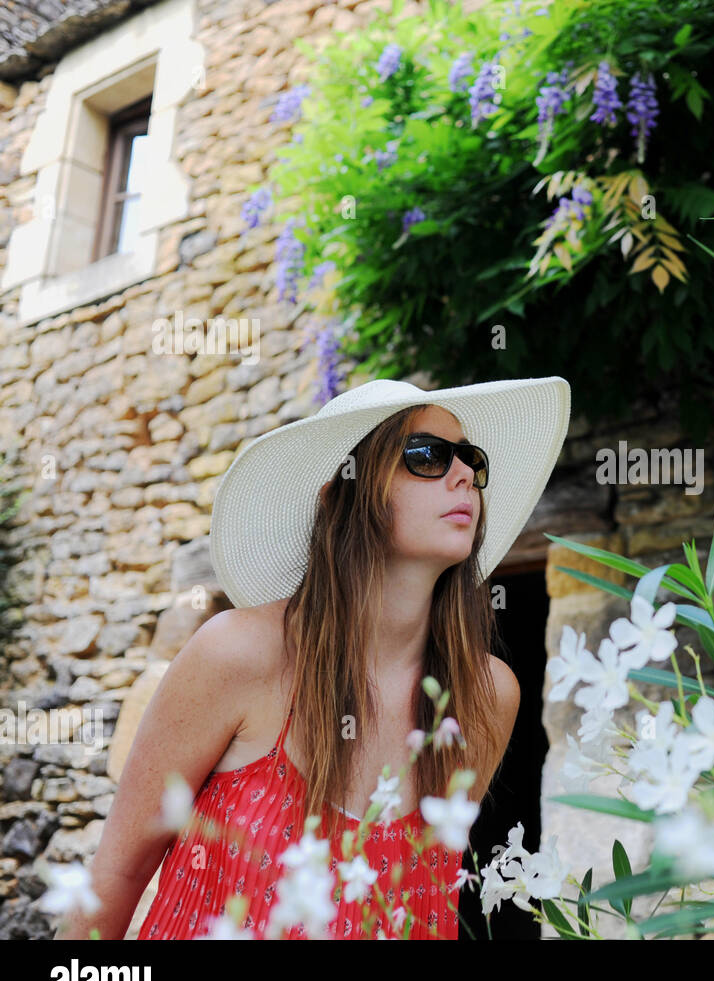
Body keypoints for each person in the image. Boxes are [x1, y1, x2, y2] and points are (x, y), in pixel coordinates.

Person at [52, 376, 570, 939]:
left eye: (472, 460)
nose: (464, 474)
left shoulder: (486, 695)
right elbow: (118, 876)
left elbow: (427, 905)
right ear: (340, 496)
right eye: (426, 455)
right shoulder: (238, 654)